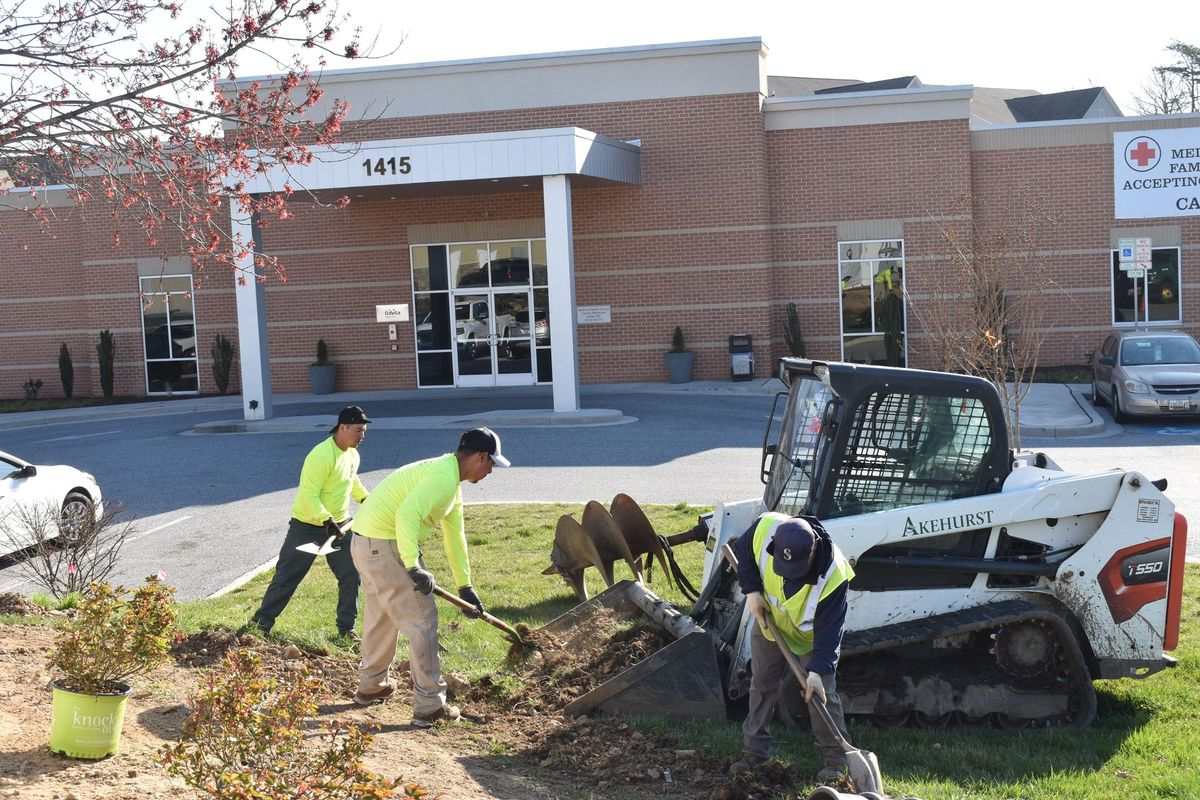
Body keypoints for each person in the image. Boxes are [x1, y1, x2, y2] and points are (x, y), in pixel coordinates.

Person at [348, 426, 510, 726]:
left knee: (382, 617)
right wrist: (412, 565)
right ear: (481, 457)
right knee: (422, 620)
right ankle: (430, 705)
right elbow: (407, 514)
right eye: (491, 464)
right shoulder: (441, 479)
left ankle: (372, 687)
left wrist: (465, 586)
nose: (491, 471)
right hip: (386, 545)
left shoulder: (448, 477)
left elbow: (454, 535)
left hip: (366, 543)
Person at [728, 512, 856, 782]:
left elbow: (831, 630)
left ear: (813, 553)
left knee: (821, 695)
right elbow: (744, 551)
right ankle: (754, 753)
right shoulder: (765, 528)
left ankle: (837, 760)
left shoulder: (835, 575)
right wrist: (752, 591)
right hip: (770, 623)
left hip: (812, 639)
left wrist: (818, 670)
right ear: (775, 544)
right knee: (761, 685)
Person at [247, 405, 370, 640]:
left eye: (364, 431)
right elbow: (308, 494)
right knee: (287, 577)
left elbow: (351, 480)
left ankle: (346, 630)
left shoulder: (352, 454)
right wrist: (326, 519)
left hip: (339, 527)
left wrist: (366, 499)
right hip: (307, 527)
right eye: (357, 431)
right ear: (342, 427)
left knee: (351, 575)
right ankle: (260, 625)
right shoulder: (321, 455)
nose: (362, 436)